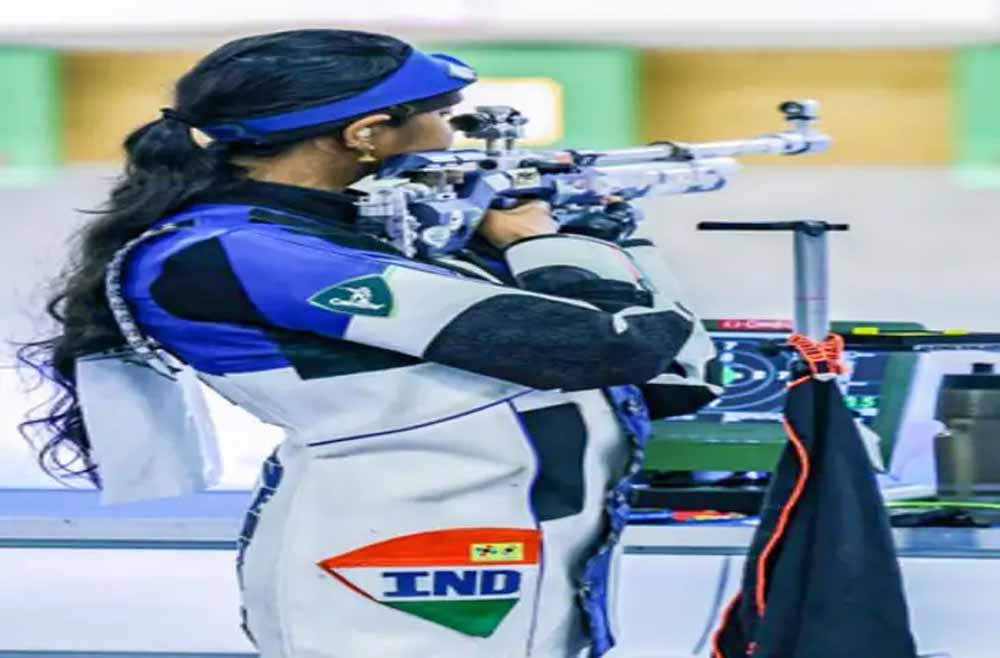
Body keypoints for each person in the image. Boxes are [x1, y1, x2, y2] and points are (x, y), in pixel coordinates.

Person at [20, 29, 720, 658]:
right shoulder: (236, 253)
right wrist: (547, 243)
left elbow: (675, 376)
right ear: (366, 133)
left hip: (507, 569)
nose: (455, 137)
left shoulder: (360, 235)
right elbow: (609, 346)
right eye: (445, 117)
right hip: (404, 576)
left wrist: (602, 235)